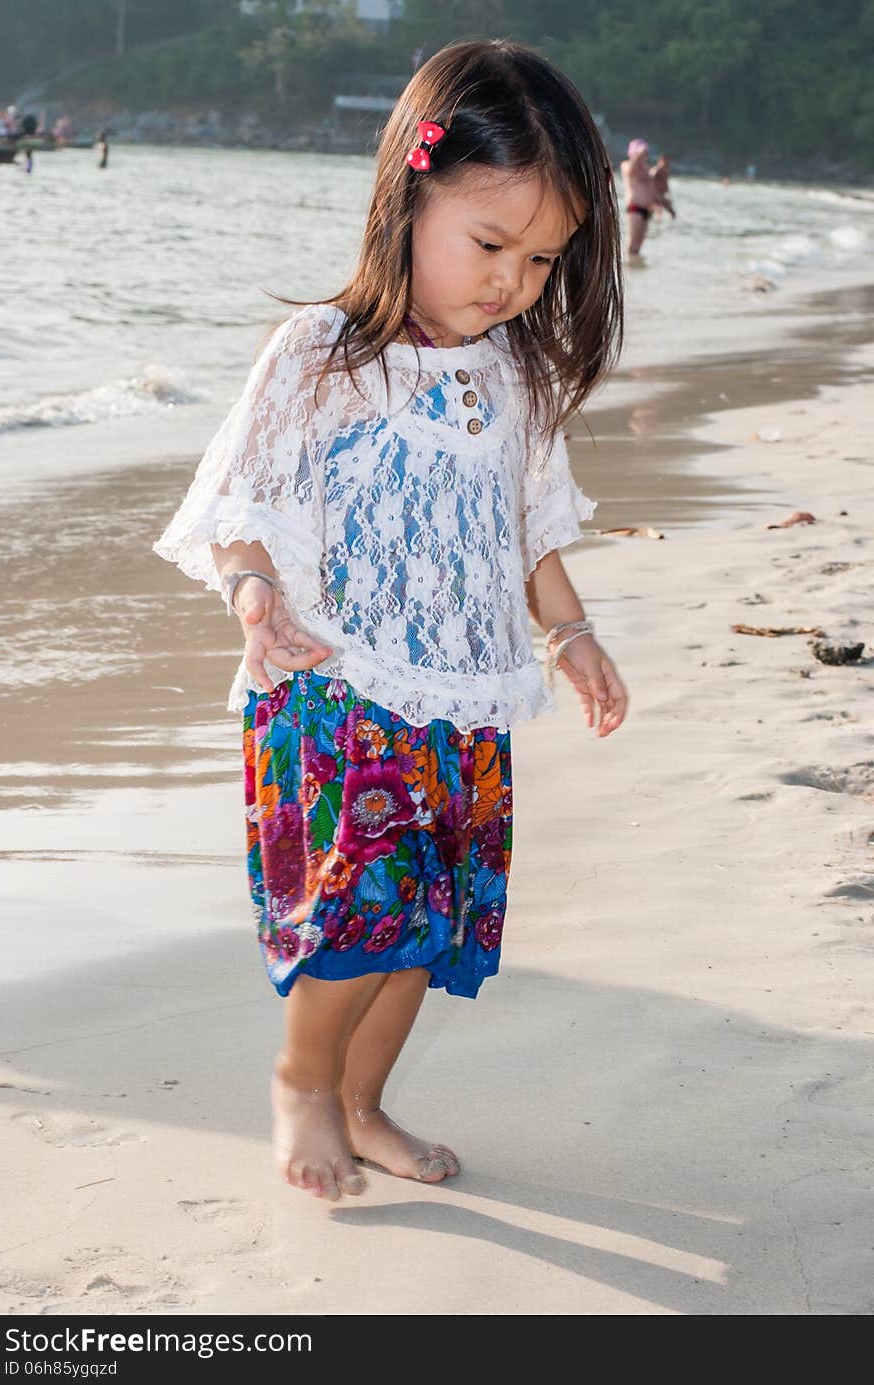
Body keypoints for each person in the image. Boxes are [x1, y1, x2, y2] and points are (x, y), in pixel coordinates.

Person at [153, 38, 629, 1203]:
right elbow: (238, 501)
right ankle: (301, 1079)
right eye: (488, 244)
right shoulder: (319, 352)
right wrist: (255, 592)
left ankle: (364, 1103)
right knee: (362, 901)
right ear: (409, 193)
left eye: (541, 258)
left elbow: (528, 532)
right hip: (328, 678)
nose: (511, 280)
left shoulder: (510, 375)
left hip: (461, 693)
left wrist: (571, 636)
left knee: (428, 925)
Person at [620, 137, 656, 255]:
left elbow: (651, 189)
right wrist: (639, 154)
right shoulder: (626, 165)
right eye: (641, 153)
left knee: (639, 243)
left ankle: (635, 268)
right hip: (634, 207)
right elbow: (631, 170)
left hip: (647, 209)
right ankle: (628, 269)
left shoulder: (646, 168)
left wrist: (661, 205)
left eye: (645, 153)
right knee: (632, 241)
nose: (643, 156)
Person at [651, 154, 676, 219]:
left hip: (662, 195)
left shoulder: (666, 171)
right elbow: (649, 181)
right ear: (660, 161)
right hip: (655, 195)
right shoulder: (656, 170)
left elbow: (665, 184)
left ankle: (670, 227)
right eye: (665, 161)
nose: (667, 163)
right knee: (658, 214)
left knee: (672, 213)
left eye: (668, 161)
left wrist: (668, 194)